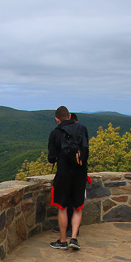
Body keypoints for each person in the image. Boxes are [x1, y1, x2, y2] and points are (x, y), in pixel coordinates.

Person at [47, 106, 88, 251]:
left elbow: (51, 158)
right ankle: (74, 238)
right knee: (78, 207)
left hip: (63, 174)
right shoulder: (82, 129)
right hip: (80, 174)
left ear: (56, 119)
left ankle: (63, 241)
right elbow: (85, 151)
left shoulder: (55, 133)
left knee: (62, 208)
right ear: (69, 115)